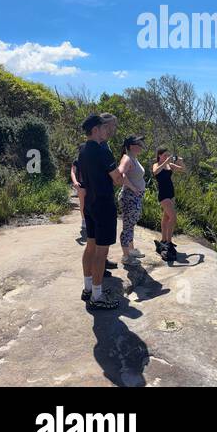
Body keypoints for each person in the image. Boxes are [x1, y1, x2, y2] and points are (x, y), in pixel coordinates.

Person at [78, 113, 124, 309]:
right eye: (104, 128)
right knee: (101, 252)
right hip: (104, 205)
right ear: (95, 130)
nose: (107, 131)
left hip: (89, 204)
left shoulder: (82, 151)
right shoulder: (103, 152)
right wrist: (122, 165)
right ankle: (97, 296)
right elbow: (118, 179)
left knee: (90, 246)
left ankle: (88, 288)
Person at [117, 136, 148, 264]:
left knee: (131, 225)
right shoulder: (127, 158)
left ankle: (131, 249)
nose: (141, 146)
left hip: (135, 197)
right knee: (127, 227)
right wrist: (133, 188)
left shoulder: (134, 158)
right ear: (131, 146)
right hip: (130, 197)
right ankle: (126, 257)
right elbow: (120, 173)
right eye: (138, 144)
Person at [152, 147, 185, 262]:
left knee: (166, 217)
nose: (166, 157)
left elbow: (182, 169)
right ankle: (169, 242)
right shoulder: (156, 165)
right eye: (164, 155)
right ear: (159, 155)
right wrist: (165, 162)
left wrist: (180, 160)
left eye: (168, 155)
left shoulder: (169, 165)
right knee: (173, 217)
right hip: (163, 195)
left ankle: (164, 239)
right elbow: (155, 172)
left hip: (171, 194)